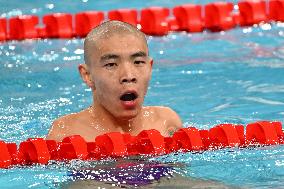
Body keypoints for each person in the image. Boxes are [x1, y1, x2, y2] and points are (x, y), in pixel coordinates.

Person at [46, 20, 182, 142]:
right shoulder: (65, 134)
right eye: (111, 64)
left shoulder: (167, 123)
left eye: (138, 62)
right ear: (87, 75)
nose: (129, 76)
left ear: (150, 67)